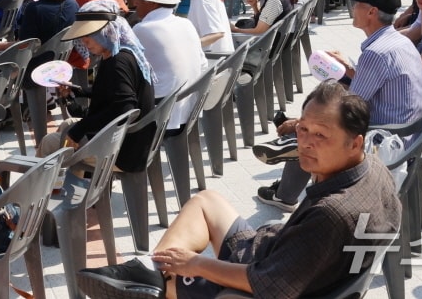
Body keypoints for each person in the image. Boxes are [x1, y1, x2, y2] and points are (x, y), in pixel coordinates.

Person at [78, 80, 400, 299]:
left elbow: (271, 285)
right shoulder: (374, 169)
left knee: (177, 276)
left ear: (354, 142)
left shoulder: (331, 214)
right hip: (280, 253)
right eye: (303, 129)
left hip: (266, 277)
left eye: (322, 135)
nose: (305, 143)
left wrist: (194, 263)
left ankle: (158, 280)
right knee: (207, 201)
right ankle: (153, 271)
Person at [256, 0, 422, 212]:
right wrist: (350, 69)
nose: (353, 8)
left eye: (357, 4)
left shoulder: (376, 53)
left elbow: (351, 108)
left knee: (311, 132)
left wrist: (300, 123)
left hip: (384, 137)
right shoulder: (398, 41)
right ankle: (288, 172)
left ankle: (286, 191)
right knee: (313, 120)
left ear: (372, 12)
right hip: (405, 131)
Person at [37, 1, 156, 173]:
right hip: (133, 141)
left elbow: (125, 108)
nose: (84, 40)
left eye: (90, 33)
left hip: (124, 151)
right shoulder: (124, 52)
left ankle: (41, 194)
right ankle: (73, 188)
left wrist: (81, 129)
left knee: (50, 142)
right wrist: (78, 92)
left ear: (107, 31)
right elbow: (112, 95)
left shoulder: (117, 62)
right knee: (67, 126)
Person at [130, 0, 209, 133]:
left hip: (162, 113)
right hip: (189, 109)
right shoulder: (185, 23)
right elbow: (203, 64)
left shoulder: (142, 29)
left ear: (153, 2)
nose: (135, 2)